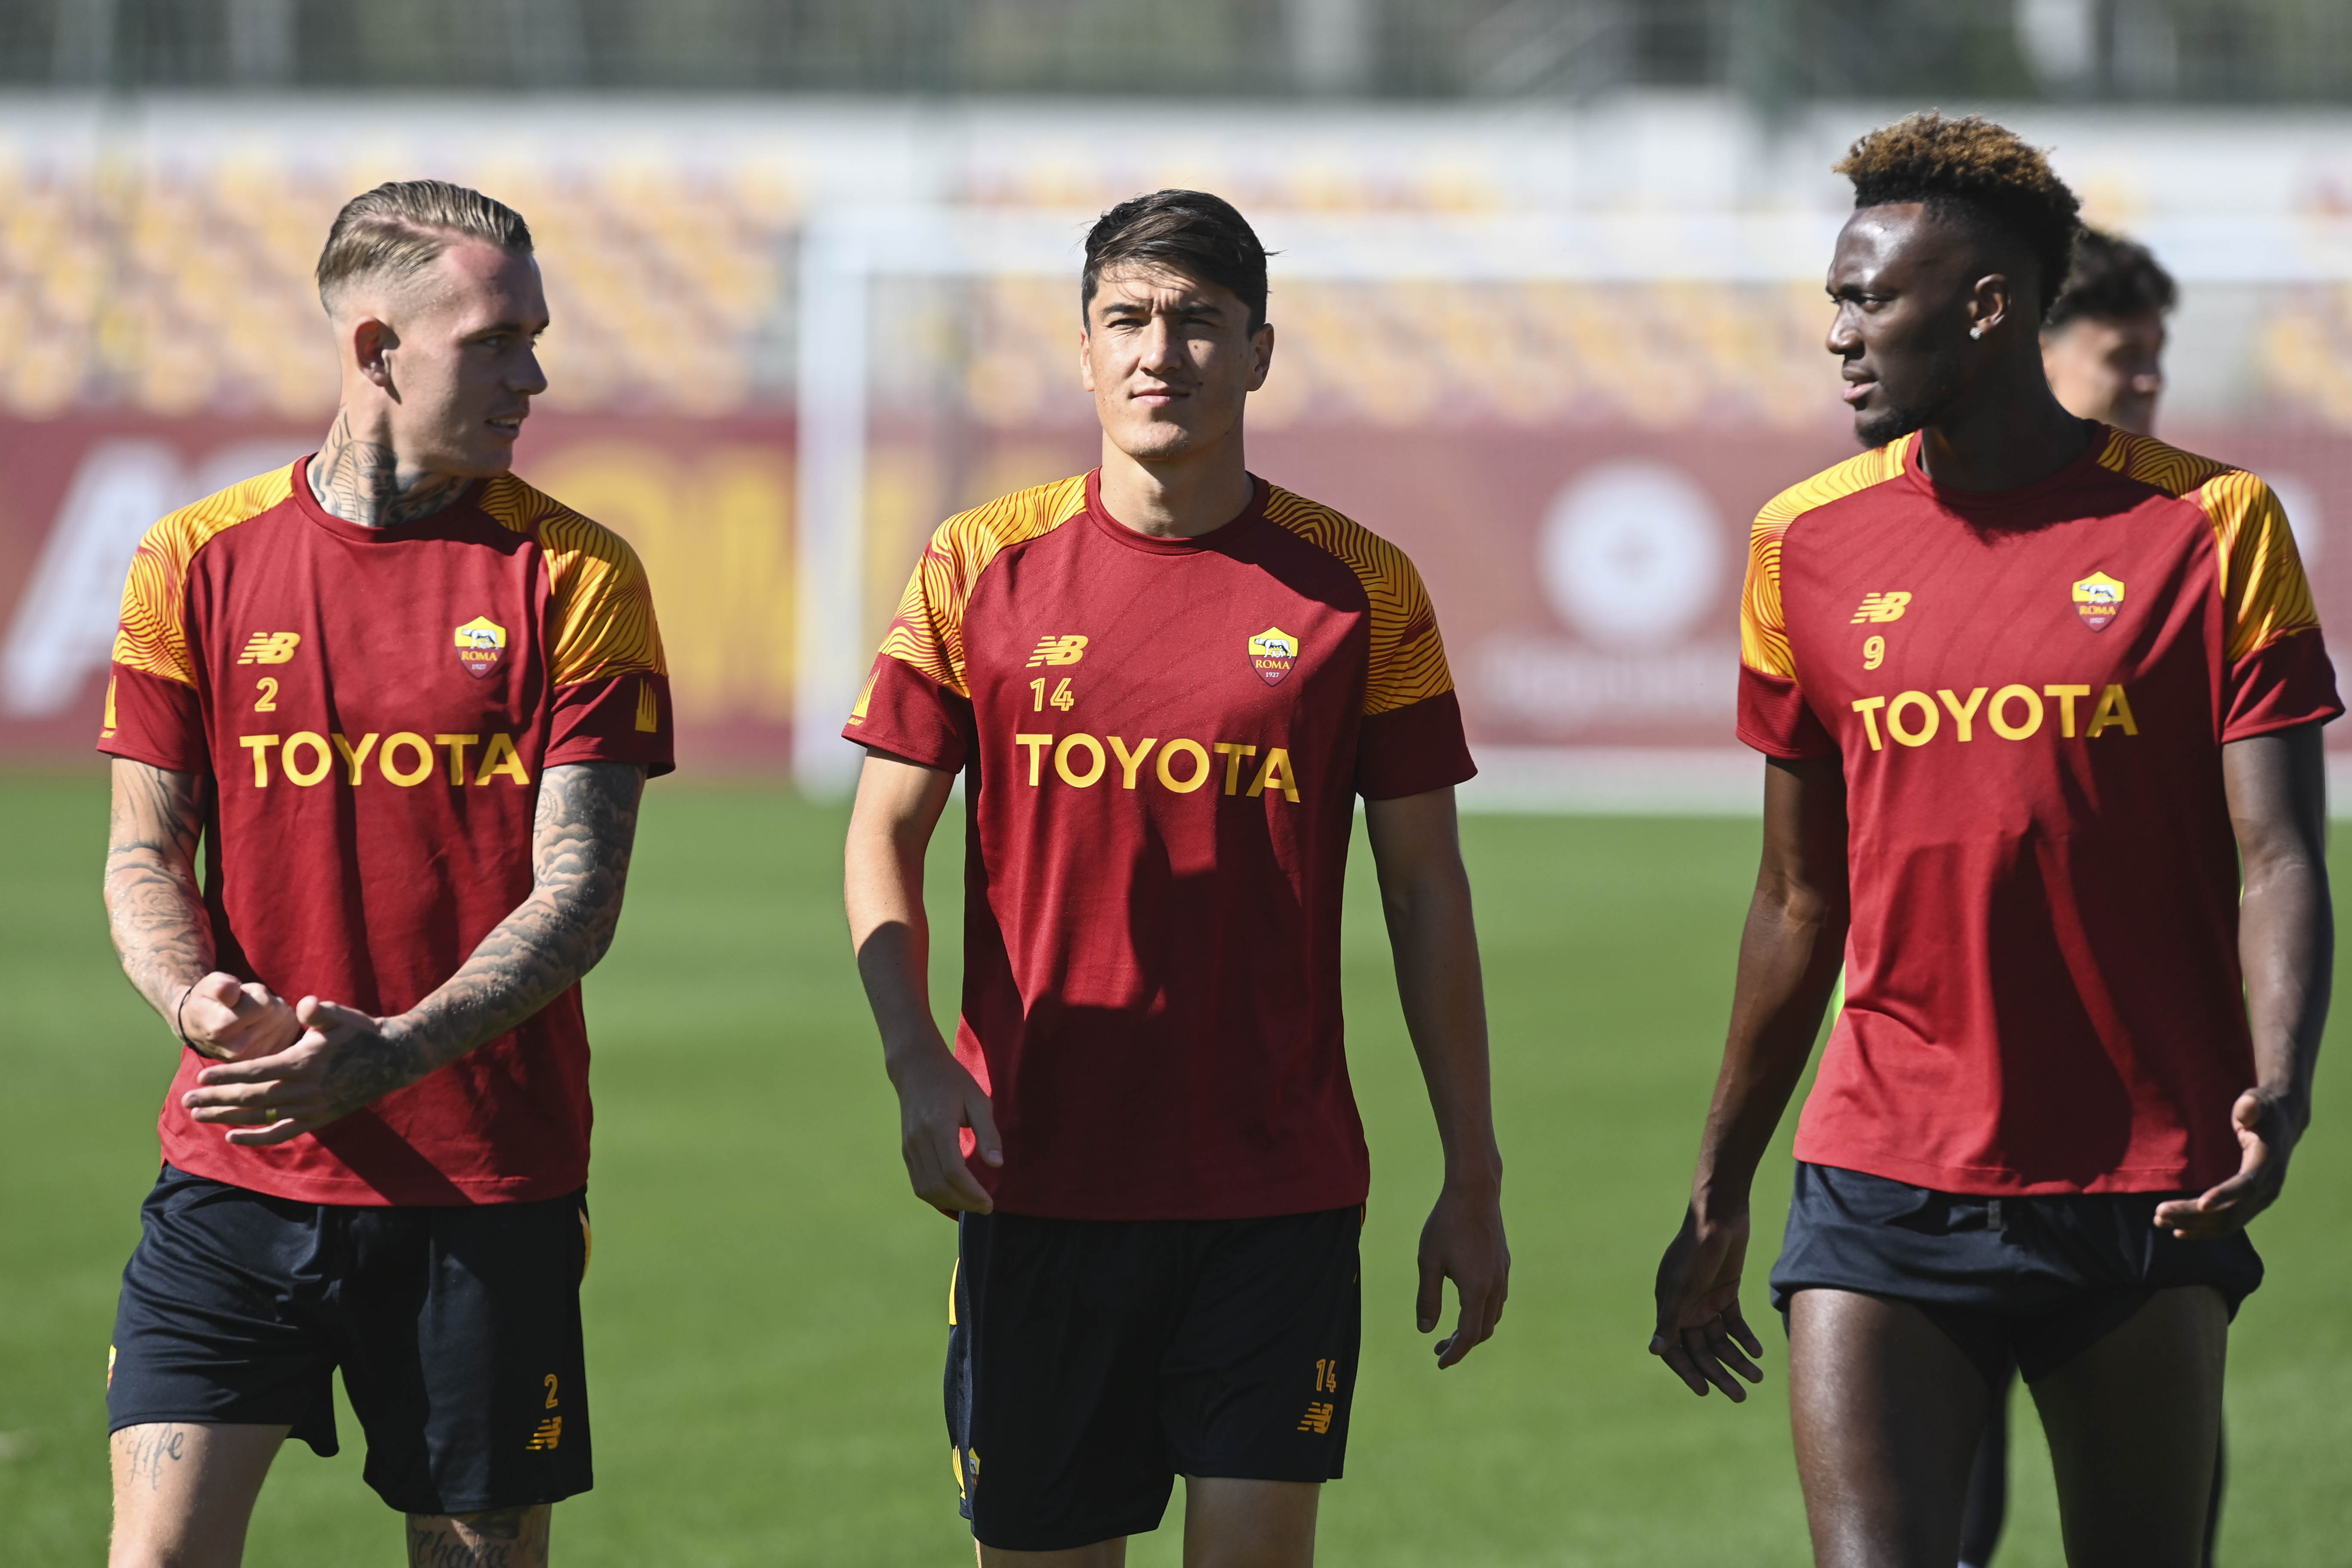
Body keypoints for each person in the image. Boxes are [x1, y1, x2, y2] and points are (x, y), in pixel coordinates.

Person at [1647, 112, 2335, 1568]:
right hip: (1879, 1169)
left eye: (1866, 299)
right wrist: (1717, 1187)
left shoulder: (2214, 528)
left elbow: (2276, 854)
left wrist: (2276, 1085)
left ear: (1986, 306)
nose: (1835, 334)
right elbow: (1791, 899)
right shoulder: (1801, 541)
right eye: (1832, 298)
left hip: (2146, 1170)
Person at [842, 188, 1509, 1567]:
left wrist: (1473, 1168)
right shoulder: (976, 562)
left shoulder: (1361, 586)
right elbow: (881, 833)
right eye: (1129, 320)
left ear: (1260, 350)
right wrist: (914, 1053)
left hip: (1277, 1185)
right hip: (1038, 1176)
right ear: (1082, 351)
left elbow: (1426, 890)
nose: (1162, 353)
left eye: (1200, 322)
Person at [99, 180, 672, 1568]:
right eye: (496, 340)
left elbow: (576, 894)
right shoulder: (195, 557)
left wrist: (396, 1050)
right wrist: (195, 1002)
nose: (534, 375)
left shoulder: (579, 574)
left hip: (482, 1180)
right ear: (374, 349)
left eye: (536, 337)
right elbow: (140, 851)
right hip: (235, 1158)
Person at [1959, 223, 2193, 1568]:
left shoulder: (2200, 538)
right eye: (2128, 357)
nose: (2151, 382)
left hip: (2134, 1133)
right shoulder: (1879, 533)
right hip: (1918, 1130)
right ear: (2036, 347)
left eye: (2159, 359)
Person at [2040, 228, 2176, 439]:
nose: (2153, 381)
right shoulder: (1983, 470)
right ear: (2040, 356)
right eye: (2127, 355)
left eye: (2156, 352)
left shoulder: (2186, 472)